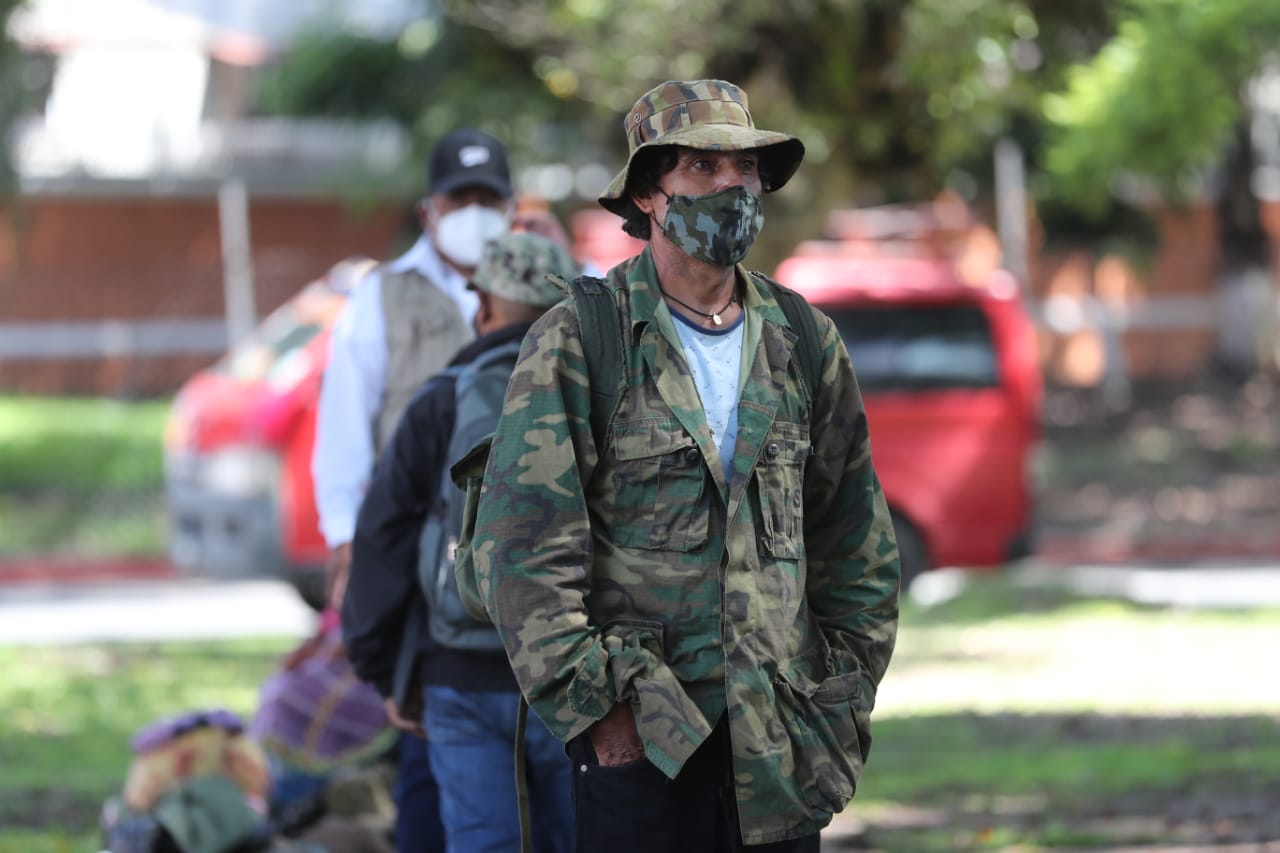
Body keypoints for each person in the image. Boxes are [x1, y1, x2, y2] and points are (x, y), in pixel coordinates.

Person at [471, 79, 901, 852]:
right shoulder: (581, 340)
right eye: (703, 167)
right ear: (649, 194)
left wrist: (840, 695)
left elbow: (856, 541)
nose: (732, 185)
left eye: (746, 168)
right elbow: (523, 552)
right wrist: (605, 718)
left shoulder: (802, 339)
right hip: (647, 747)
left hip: (780, 743)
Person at [312, 126, 516, 853]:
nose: (473, 213)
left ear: (512, 207)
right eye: (459, 199)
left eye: (487, 199)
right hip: (424, 562)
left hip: (528, 568)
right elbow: (343, 420)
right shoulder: (385, 296)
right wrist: (346, 537)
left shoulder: (547, 289)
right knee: (429, 735)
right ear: (429, 209)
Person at [343, 232, 580, 853]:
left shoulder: (440, 399)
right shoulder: (599, 397)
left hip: (458, 674)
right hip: (573, 670)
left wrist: (385, 666)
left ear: (484, 307)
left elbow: (382, 537)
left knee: (484, 843)